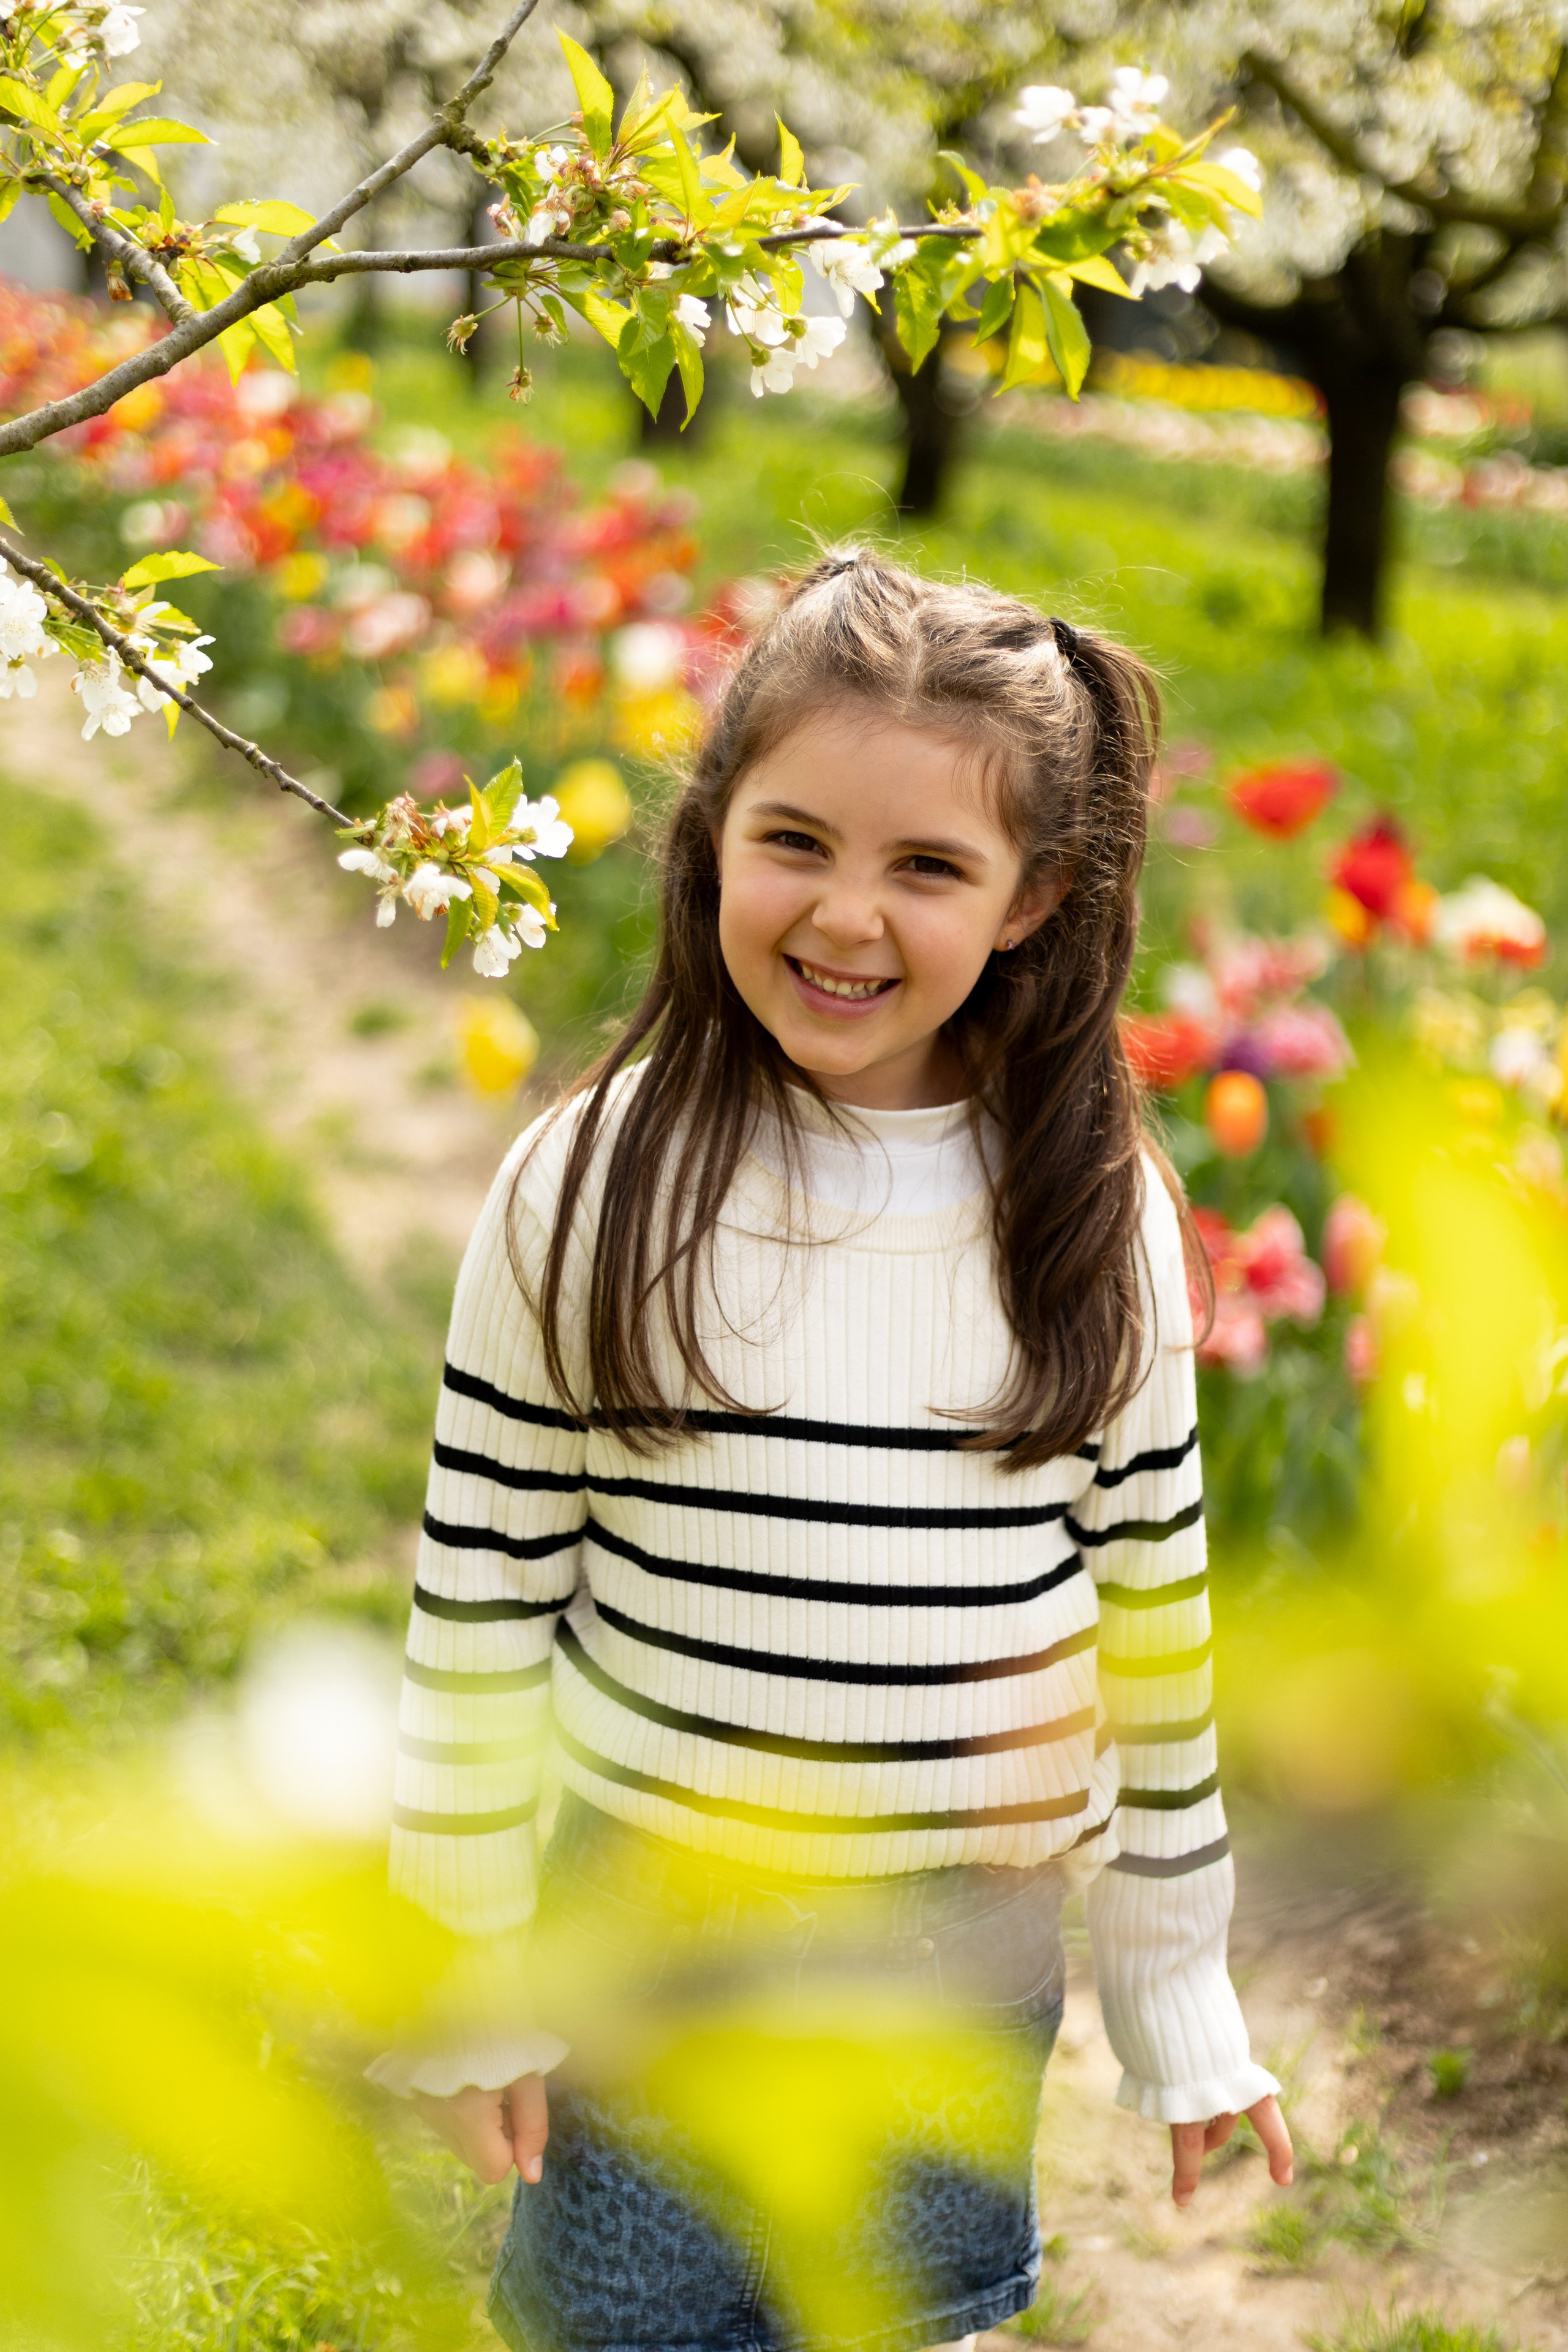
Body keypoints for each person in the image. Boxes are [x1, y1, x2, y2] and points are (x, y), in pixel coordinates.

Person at [369, 551, 1293, 2352]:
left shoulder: (1087, 1217)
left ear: (1033, 899)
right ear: (713, 832)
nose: (846, 917)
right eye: (794, 841)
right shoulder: (592, 1184)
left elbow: (1153, 1642)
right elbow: (480, 1609)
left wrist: (1179, 2000)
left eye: (928, 867)